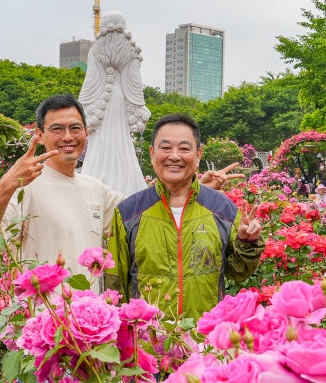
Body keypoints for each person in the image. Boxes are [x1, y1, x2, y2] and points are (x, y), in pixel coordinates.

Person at [0, 95, 238, 282]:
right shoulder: (25, 187)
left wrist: (193, 187)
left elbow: (143, 209)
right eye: (57, 129)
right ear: (39, 135)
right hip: (45, 324)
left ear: (86, 133)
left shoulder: (94, 188)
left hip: (90, 328)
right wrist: (6, 185)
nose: (67, 137)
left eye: (75, 128)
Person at [106, 114, 263, 319]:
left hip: (204, 340)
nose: (174, 156)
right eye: (165, 147)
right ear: (152, 153)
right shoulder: (129, 212)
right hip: (148, 341)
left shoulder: (222, 209)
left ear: (198, 155)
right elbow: (114, 283)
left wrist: (247, 242)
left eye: (184, 148)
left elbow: (238, 272)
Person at [77, 11, 151, 196]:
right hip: (121, 98)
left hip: (102, 98)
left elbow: (91, 80)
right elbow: (134, 82)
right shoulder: (130, 48)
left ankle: (96, 178)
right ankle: (126, 181)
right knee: (122, 140)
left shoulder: (97, 48)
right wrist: (137, 105)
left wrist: (84, 104)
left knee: (100, 140)